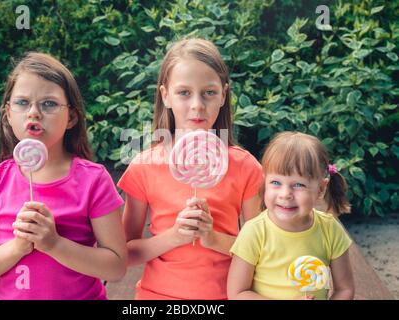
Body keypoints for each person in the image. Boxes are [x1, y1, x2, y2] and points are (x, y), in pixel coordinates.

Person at [0, 52, 127, 299]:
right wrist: (17, 247)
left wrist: (54, 244)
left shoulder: (94, 180)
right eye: (23, 103)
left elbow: (116, 267)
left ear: (71, 117)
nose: (33, 113)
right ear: (7, 115)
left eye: (48, 103)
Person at [117, 38, 263, 299]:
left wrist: (211, 238)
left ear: (223, 95)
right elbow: (124, 254)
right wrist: (174, 237)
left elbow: (260, 250)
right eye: (184, 92)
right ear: (166, 96)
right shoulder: (144, 167)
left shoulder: (245, 167)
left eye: (209, 92)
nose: (197, 105)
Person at [227, 131, 354, 300]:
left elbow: (345, 289)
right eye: (276, 183)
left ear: (321, 189)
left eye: (299, 184)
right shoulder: (254, 232)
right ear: (265, 182)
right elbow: (237, 293)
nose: (285, 194)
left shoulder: (330, 229)